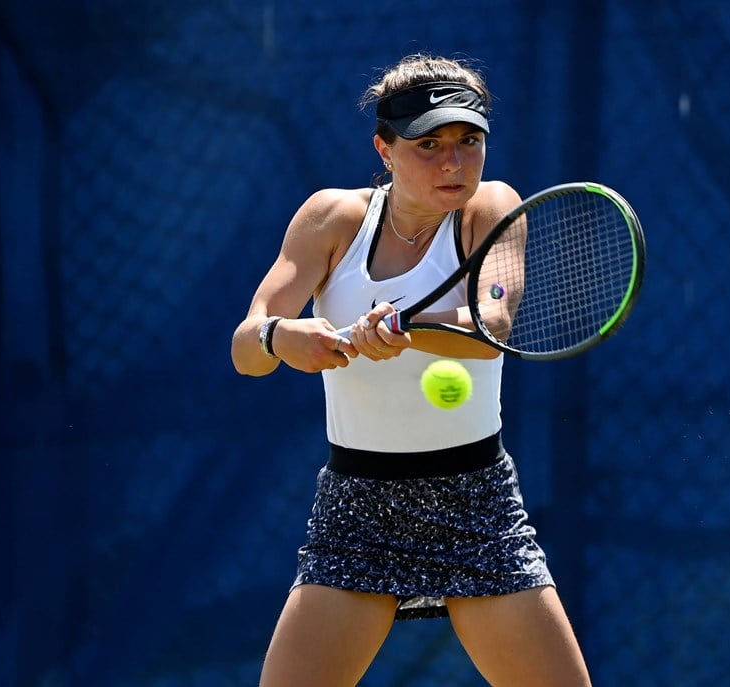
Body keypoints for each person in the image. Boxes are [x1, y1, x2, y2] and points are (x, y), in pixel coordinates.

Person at [231, 53, 592, 687]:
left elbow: (492, 329)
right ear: (385, 148)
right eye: (429, 144)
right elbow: (245, 348)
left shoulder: (493, 207)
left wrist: (400, 327)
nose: (453, 162)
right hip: (356, 511)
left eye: (468, 141)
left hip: (475, 506)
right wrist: (281, 336)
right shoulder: (330, 220)